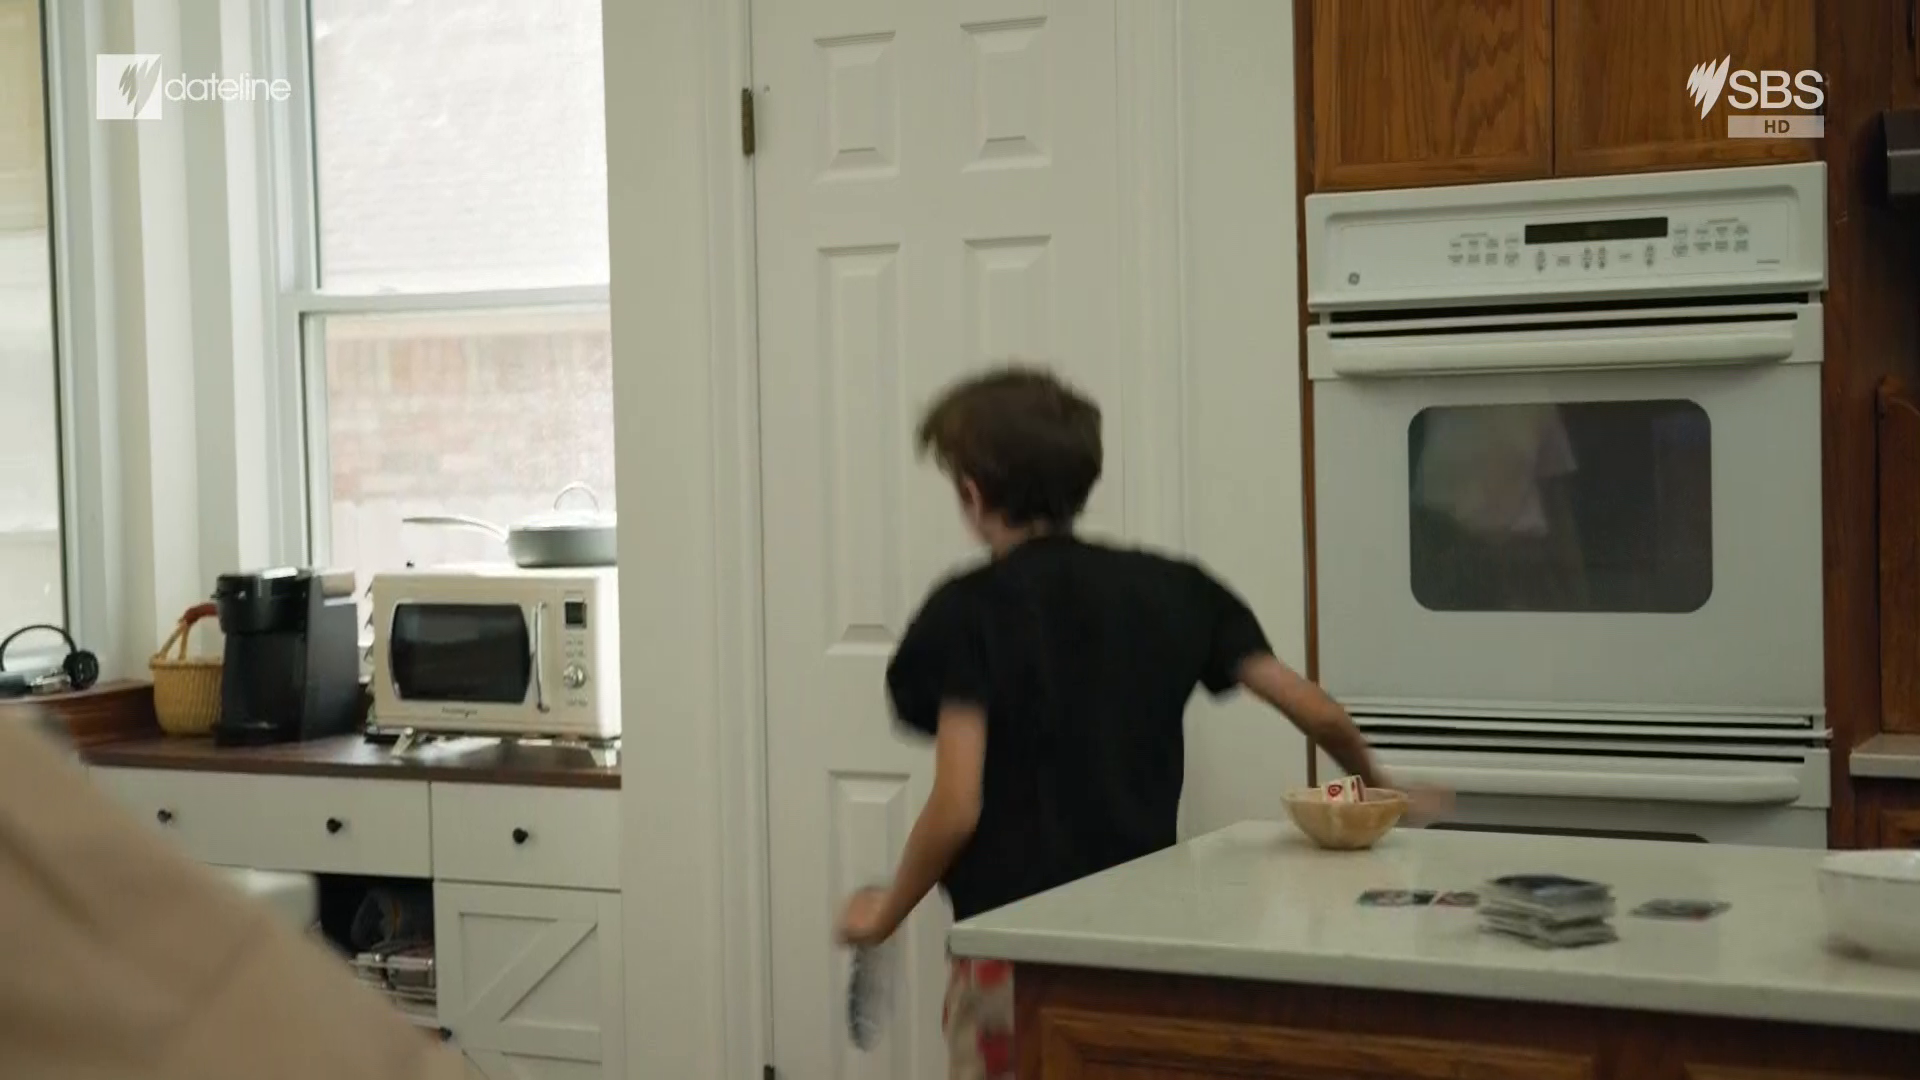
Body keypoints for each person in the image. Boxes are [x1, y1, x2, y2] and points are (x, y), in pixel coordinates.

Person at [835, 365, 1445, 1080]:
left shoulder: (968, 611)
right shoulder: (1176, 588)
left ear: (972, 494)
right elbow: (1317, 711)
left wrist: (884, 916)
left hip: (1016, 958)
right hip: (1140, 949)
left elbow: (956, 804)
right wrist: (1382, 791)